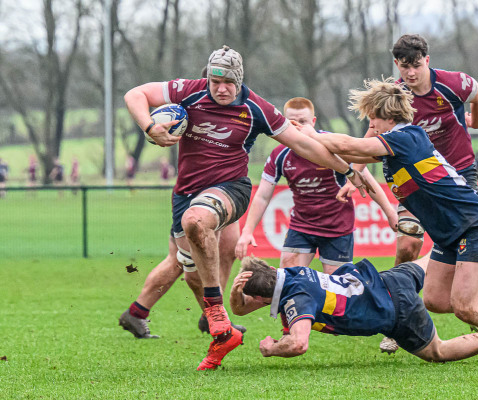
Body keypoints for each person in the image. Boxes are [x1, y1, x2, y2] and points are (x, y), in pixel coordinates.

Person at [119, 45, 371, 371]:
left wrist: (347, 169)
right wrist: (149, 126)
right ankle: (213, 329)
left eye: (229, 83)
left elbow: (306, 145)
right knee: (188, 265)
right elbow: (135, 94)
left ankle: (212, 311)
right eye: (215, 81)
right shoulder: (189, 92)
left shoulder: (257, 108)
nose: (221, 88)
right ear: (206, 77)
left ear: (240, 81)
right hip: (184, 193)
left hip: (231, 189)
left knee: (197, 222)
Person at [299, 77, 478, 371]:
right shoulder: (393, 147)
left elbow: (347, 144)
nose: (371, 124)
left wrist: (311, 131)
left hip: (474, 225)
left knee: (467, 306)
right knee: (436, 300)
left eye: (373, 118)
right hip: (449, 234)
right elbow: (349, 153)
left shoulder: (407, 138)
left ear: (388, 117)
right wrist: (303, 140)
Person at [351, 34, 478, 353]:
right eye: (403, 66)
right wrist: (355, 173)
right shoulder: (397, 95)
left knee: (473, 250)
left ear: (427, 59)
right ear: (396, 65)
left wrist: (476, 123)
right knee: (408, 244)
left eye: (415, 65)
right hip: (415, 180)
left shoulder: (453, 84)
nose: (410, 73)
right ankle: (400, 319)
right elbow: (375, 129)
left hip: (458, 177)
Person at [229, 255, 478, 370]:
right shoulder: (292, 273)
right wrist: (236, 292)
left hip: (394, 309)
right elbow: (243, 308)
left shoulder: (296, 299)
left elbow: (298, 343)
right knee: (440, 255)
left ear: (260, 295)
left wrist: (270, 350)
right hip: (389, 278)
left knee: (438, 352)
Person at [235, 97, 398, 275]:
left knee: (337, 289)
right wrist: (247, 231)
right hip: (301, 226)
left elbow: (366, 179)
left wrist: (390, 212)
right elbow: (262, 196)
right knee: (289, 281)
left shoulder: (332, 144)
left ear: (313, 121)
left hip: (338, 228)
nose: (298, 126)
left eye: (303, 121)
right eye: (291, 122)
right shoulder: (280, 154)